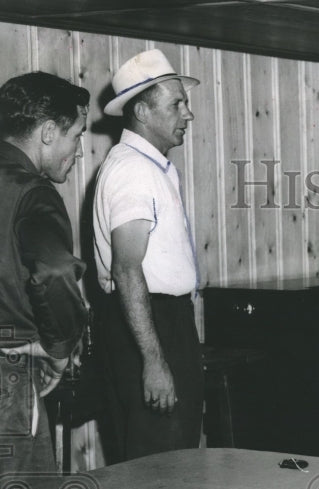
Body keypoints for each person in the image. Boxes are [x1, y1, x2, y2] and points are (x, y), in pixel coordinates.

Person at [0, 72, 89, 489]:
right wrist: (59, 346)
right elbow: (54, 273)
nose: (79, 151)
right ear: (48, 132)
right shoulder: (33, 193)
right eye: (76, 135)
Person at [93, 50, 203, 463]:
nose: (187, 114)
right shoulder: (132, 172)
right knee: (160, 469)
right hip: (147, 324)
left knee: (173, 457)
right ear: (141, 110)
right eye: (176, 104)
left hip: (163, 322)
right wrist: (153, 361)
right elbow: (125, 268)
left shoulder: (152, 167)